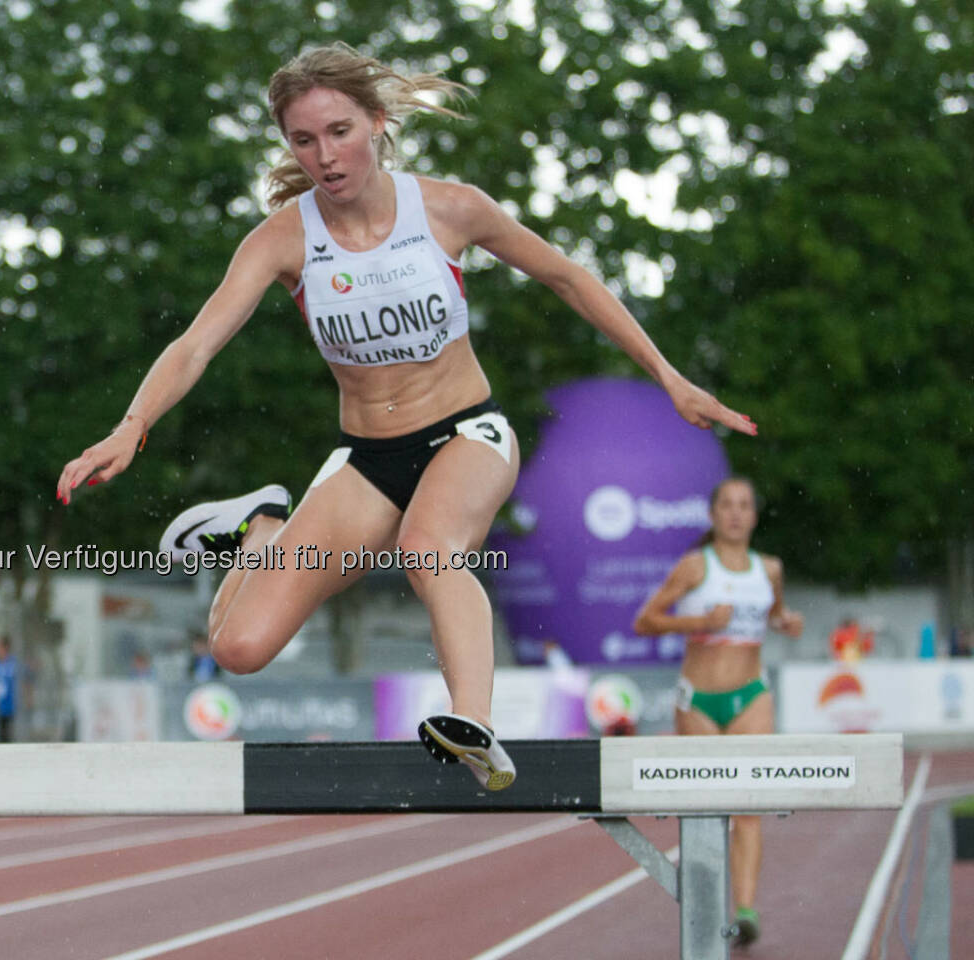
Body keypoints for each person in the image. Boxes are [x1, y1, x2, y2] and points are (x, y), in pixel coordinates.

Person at [56, 43, 755, 792]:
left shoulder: (449, 208)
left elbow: (567, 277)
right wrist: (132, 424)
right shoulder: (284, 240)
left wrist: (668, 375)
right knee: (239, 648)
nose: (324, 156)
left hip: (467, 435)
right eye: (303, 140)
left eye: (339, 131)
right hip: (366, 460)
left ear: (378, 122)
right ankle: (263, 527)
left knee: (431, 548)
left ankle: (475, 724)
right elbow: (196, 345)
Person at [632, 476, 804, 947]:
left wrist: (785, 622)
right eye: (726, 505)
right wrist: (699, 622)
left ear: (753, 515)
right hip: (699, 701)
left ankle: (745, 911)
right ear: (713, 515)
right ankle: (709, 909)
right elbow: (645, 620)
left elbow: (772, 613)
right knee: (706, 807)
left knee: (750, 806)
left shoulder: (769, 569)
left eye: (744, 505)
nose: (735, 513)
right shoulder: (694, 567)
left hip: (751, 695)